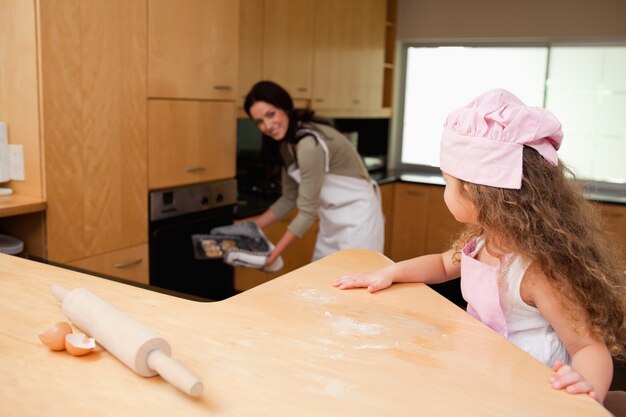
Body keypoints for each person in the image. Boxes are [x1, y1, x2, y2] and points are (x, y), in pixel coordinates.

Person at [332, 89, 626, 405]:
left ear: (475, 193)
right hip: (488, 367)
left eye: (448, 182)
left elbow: (587, 346)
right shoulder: (486, 240)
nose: (446, 190)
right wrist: (391, 272)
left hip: (531, 385)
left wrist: (585, 387)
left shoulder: (536, 272)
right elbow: (444, 265)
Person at [244, 81, 384, 267]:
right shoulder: (287, 145)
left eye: (271, 114)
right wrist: (251, 228)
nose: (268, 125)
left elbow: (307, 212)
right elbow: (289, 197)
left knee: (355, 282)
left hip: (358, 220)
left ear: (284, 107)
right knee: (321, 281)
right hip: (330, 220)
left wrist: (272, 256)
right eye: (260, 121)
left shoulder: (309, 144)